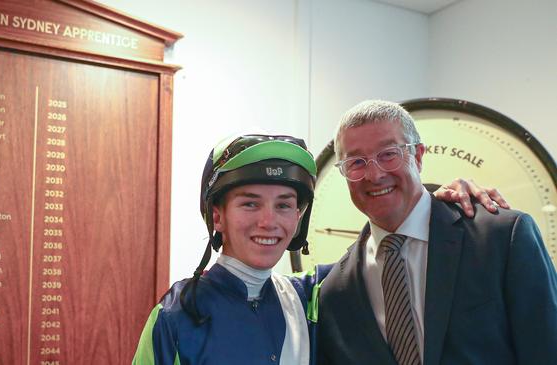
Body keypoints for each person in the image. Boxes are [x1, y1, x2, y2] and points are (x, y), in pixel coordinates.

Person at [132, 132, 509, 365]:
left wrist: (441, 201)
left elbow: (386, 240)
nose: (269, 222)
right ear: (217, 216)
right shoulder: (177, 314)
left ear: (298, 218)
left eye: (283, 205)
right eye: (250, 204)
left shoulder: (311, 294)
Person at [316, 100, 557, 365]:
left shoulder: (502, 239)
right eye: (357, 162)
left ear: (418, 156)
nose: (374, 174)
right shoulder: (335, 293)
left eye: (389, 154)